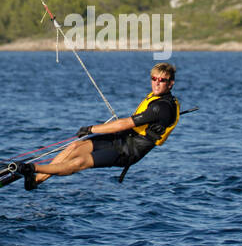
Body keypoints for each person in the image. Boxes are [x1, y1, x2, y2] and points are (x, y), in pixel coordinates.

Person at [17, 63, 180, 190]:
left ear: (170, 83)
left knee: (81, 161)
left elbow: (124, 123)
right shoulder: (155, 99)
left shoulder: (162, 108)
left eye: (162, 80)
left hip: (129, 151)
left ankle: (33, 168)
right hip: (122, 138)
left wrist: (91, 129)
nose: (156, 83)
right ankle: (36, 180)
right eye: (154, 79)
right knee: (75, 147)